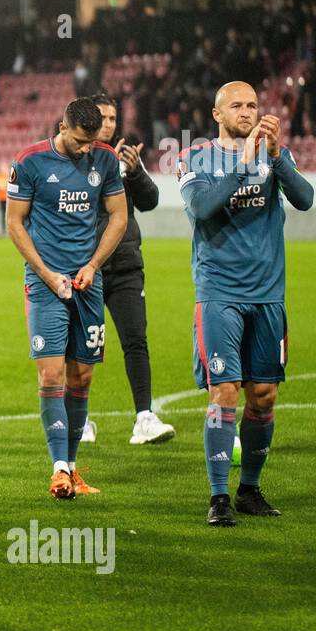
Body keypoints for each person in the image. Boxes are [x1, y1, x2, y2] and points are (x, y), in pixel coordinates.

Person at [178, 81, 314, 527]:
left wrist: (273, 157)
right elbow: (202, 208)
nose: (247, 111)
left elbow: (305, 200)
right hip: (219, 293)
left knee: (264, 394)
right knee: (225, 391)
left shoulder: (277, 156)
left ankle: (250, 489)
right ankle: (218, 496)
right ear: (216, 114)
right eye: (236, 105)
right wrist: (244, 163)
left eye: (253, 104)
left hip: (268, 295)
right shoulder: (194, 158)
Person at [5, 97, 128, 499]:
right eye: (79, 141)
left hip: (87, 284)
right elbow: (15, 223)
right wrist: (46, 273)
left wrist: (92, 266)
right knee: (51, 374)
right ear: (62, 127)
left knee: (84, 376)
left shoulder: (105, 160)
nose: (85, 149)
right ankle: (58, 469)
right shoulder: (30, 162)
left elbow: (119, 216)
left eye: (91, 142)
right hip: (44, 283)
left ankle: (73, 468)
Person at [81, 93, 175, 446]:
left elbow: (150, 201)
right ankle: (81, 419)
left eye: (111, 118)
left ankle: (144, 417)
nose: (107, 124)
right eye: (101, 117)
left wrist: (134, 171)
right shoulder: (74, 160)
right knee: (83, 348)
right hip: (86, 270)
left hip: (125, 266)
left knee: (136, 341)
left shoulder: (124, 160)